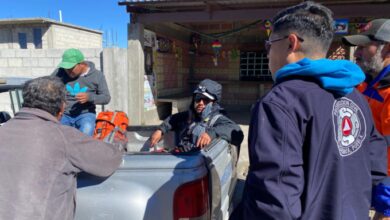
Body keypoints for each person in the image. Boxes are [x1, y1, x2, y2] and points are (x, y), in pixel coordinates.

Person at [233, 2, 387, 219]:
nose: (267, 54)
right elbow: (377, 165)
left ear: (291, 43)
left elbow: (275, 202)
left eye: (269, 45)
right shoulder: (357, 98)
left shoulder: (280, 102)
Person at [0, 76, 123, 220]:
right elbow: (109, 159)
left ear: (25, 102)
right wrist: (118, 142)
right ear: (62, 108)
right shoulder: (63, 137)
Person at [342, 19, 390, 220]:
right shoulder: (367, 83)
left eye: (363, 47)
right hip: (368, 172)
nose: (357, 53)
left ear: (387, 48)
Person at [149, 79, 243, 152]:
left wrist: (212, 133)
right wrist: (160, 130)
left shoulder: (217, 118)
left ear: (213, 102)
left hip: (198, 164)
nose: (200, 103)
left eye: (206, 100)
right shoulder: (191, 115)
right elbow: (173, 119)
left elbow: (237, 131)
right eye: (198, 98)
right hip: (181, 155)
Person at [52, 48, 110, 136]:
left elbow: (106, 98)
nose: (67, 71)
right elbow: (47, 86)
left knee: (86, 133)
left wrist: (89, 97)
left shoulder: (97, 75)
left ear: (82, 64)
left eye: (71, 68)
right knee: (57, 136)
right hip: (64, 114)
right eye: (65, 68)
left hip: (85, 114)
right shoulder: (60, 72)